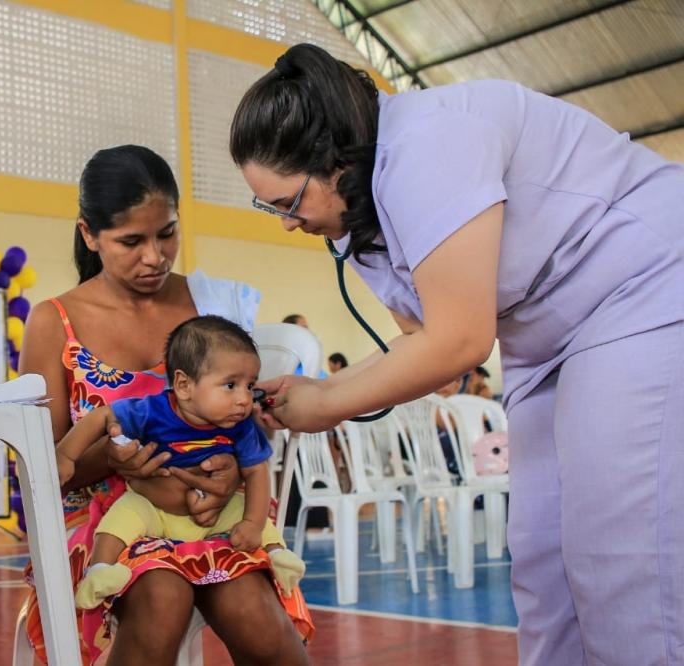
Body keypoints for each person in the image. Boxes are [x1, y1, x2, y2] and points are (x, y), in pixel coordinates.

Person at [230, 42, 683, 665]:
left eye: (288, 203)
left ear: (334, 159)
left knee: (622, 550)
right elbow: (420, 337)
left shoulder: (429, 145)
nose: (286, 223)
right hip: (546, 335)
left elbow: (462, 342)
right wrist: (314, 393)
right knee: (542, 556)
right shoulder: (355, 218)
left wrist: (329, 405)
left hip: (642, 290)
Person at [18, 145, 311, 666]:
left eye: (167, 233)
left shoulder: (212, 307)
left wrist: (228, 475)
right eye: (131, 241)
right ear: (89, 234)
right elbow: (38, 468)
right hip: (105, 520)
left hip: (211, 510)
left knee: (259, 621)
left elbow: (241, 422)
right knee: (161, 593)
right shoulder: (54, 321)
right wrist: (110, 459)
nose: (154, 256)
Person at [56, 315, 305, 609]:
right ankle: (100, 571)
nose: (244, 399)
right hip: (155, 512)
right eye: (230, 385)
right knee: (121, 517)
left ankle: (277, 554)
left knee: (253, 514)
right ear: (184, 386)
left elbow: (257, 473)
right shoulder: (153, 411)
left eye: (250, 386)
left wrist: (251, 524)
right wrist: (66, 455)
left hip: (217, 514)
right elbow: (103, 417)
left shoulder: (242, 426)